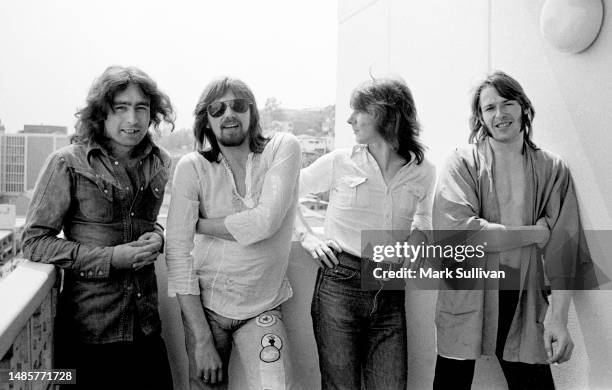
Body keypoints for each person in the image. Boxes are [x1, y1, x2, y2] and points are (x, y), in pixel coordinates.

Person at [432, 71, 596, 389]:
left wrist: (558, 318)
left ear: (523, 107)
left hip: (526, 299)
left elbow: (566, 249)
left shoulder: (552, 169)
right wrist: (534, 234)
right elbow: (459, 234)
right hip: (467, 296)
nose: (499, 114)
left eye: (507, 103)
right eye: (489, 108)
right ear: (479, 117)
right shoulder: (460, 163)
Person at [21, 65, 175, 390]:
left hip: (146, 330)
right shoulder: (67, 162)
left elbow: (142, 224)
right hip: (90, 334)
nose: (132, 120)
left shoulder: (160, 162)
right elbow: (34, 242)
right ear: (101, 112)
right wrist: (111, 258)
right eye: (120, 108)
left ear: (152, 114)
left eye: (141, 108)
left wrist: (158, 237)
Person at [297, 77, 435, 389]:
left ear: (389, 114)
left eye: (360, 110)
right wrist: (308, 236)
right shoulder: (339, 162)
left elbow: (423, 219)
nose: (350, 118)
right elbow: (287, 190)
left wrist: (418, 239)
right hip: (339, 284)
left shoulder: (424, 171)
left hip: (390, 289)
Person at [165, 77, 301, 389]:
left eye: (238, 105)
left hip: (263, 307)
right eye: (217, 108)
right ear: (206, 120)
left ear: (252, 112)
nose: (229, 113)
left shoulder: (282, 148)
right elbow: (177, 253)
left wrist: (198, 224)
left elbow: (265, 222)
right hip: (207, 309)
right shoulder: (192, 167)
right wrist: (201, 341)